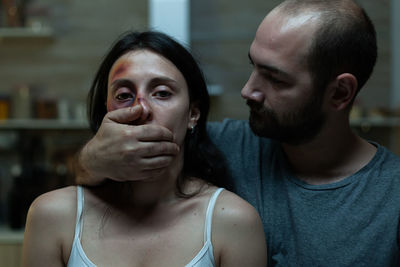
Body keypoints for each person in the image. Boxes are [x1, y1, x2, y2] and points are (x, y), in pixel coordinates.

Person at [76, 0, 400, 266]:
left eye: (275, 79)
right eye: (253, 66)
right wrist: (91, 160)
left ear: (340, 93)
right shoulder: (218, 144)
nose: (248, 90)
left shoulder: (391, 198)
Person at [21, 31, 267, 267]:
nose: (141, 109)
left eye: (161, 93)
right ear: (106, 111)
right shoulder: (52, 216)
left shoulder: (233, 222)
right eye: (124, 95)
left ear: (193, 114)